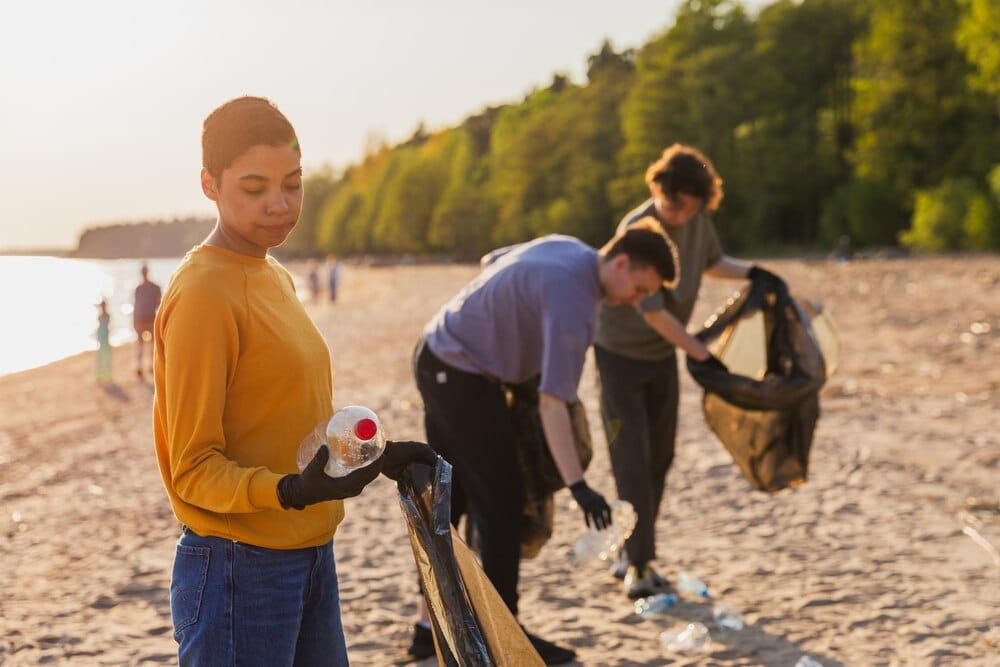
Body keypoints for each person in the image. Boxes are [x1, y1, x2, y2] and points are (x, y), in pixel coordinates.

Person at [152, 96, 436, 666]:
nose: (279, 205)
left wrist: (371, 457)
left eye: (293, 183)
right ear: (209, 184)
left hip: (308, 553)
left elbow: (283, 418)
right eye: (254, 188)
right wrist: (287, 491)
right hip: (238, 567)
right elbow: (191, 467)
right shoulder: (205, 291)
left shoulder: (272, 272)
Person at [409, 221, 701, 665]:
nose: (638, 301)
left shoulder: (571, 250)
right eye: (639, 288)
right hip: (459, 373)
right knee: (502, 505)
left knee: (458, 498)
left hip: (438, 353)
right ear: (621, 263)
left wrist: (505, 325)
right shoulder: (575, 304)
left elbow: (495, 260)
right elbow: (553, 404)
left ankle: (427, 630)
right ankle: (503, 633)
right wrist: (578, 485)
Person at [593, 143, 783, 599]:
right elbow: (653, 311)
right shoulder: (638, 229)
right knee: (631, 461)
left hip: (662, 356)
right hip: (619, 356)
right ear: (659, 189)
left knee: (661, 457)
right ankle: (638, 563)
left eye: (690, 209)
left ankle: (634, 550)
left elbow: (714, 264)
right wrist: (701, 354)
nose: (679, 217)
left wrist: (756, 273)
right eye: (673, 206)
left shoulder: (697, 222)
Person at [133, 263, 162, 379]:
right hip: (144, 319)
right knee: (144, 345)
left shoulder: (144, 288)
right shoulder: (151, 288)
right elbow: (158, 305)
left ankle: (148, 366)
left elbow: (159, 305)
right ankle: (143, 367)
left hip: (147, 319)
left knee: (149, 345)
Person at [95, 299, 111, 382]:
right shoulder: (103, 315)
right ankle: (100, 374)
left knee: (105, 357)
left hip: (104, 338)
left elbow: (105, 326)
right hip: (102, 338)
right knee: (101, 358)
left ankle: (106, 374)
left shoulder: (105, 316)